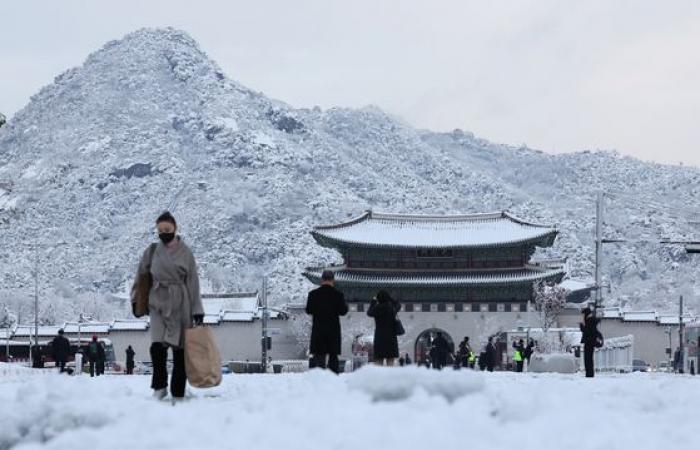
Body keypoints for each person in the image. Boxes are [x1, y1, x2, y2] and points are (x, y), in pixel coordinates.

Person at [134, 211, 204, 401]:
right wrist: (136, 301)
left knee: (180, 351)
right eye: (160, 230)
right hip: (157, 301)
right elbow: (141, 275)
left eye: (167, 229)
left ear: (175, 228)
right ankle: (159, 386)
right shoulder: (152, 251)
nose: (164, 233)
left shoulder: (186, 252)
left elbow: (193, 282)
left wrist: (197, 310)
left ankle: (178, 390)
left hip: (181, 304)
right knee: (157, 347)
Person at [305, 269, 348, 374]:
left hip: (318, 329)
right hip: (333, 330)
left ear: (322, 280)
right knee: (333, 356)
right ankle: (333, 380)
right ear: (333, 280)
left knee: (319, 355)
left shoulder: (313, 294)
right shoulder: (338, 295)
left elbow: (308, 310)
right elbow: (343, 311)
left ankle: (319, 380)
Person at [367, 290, 401, 366]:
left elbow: (369, 313)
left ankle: (379, 377)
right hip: (391, 337)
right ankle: (389, 377)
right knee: (390, 360)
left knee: (379, 360)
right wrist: (391, 299)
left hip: (380, 337)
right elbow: (398, 305)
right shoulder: (392, 309)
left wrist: (373, 302)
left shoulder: (377, 309)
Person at [579, 307, 601, 378]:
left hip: (589, 342)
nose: (582, 317)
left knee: (588, 359)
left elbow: (588, 332)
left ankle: (589, 374)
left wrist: (582, 327)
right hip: (590, 341)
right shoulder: (590, 320)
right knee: (589, 358)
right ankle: (589, 373)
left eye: (583, 315)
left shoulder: (590, 320)